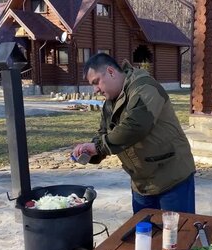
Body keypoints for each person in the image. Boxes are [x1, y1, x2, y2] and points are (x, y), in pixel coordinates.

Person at [72, 53, 196, 214]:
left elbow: (135, 126)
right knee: (144, 236)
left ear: (110, 72)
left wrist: (99, 147)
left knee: (178, 235)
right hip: (141, 184)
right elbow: (103, 133)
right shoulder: (110, 104)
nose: (95, 89)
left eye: (96, 82)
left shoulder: (145, 87)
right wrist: (90, 151)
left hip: (172, 180)